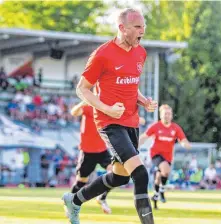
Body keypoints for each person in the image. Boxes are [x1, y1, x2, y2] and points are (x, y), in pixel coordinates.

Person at [62, 8, 157, 224]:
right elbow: (82, 89)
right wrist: (106, 108)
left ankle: (74, 200)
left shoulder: (140, 52)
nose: (143, 31)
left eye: (144, 26)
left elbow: (132, 86)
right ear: (122, 28)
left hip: (131, 122)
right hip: (109, 123)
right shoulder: (102, 54)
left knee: (120, 177)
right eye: (138, 27)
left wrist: (143, 101)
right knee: (140, 174)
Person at [139, 104, 191, 209]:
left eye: (169, 114)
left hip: (168, 156)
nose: (167, 116)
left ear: (171, 115)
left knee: (159, 176)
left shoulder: (175, 128)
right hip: (156, 154)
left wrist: (186, 144)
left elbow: (182, 139)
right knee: (165, 170)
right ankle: (162, 190)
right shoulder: (156, 126)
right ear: (161, 115)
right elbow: (145, 136)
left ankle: (156, 196)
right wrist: (135, 145)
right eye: (165, 114)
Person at [70, 101, 113, 214]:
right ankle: (70, 203)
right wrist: (82, 103)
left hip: (102, 149)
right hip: (87, 151)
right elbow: (74, 112)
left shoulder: (106, 107)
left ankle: (102, 197)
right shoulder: (88, 106)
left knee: (115, 172)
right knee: (81, 181)